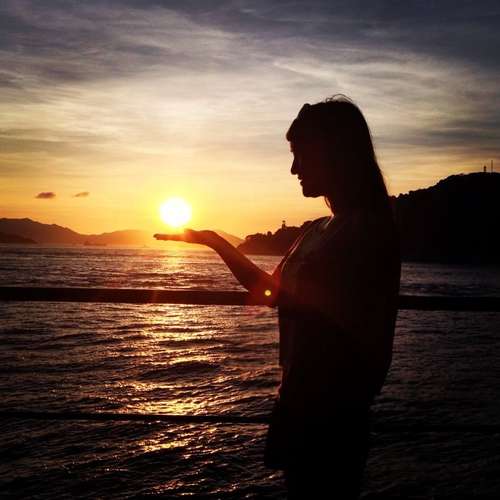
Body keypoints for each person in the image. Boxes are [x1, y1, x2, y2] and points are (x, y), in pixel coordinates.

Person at [155, 95, 401, 499]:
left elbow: (344, 325)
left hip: (333, 414)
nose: (294, 169)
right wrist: (215, 242)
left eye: (300, 154)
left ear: (334, 153)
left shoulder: (367, 232)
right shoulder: (316, 230)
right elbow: (270, 292)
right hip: (299, 401)